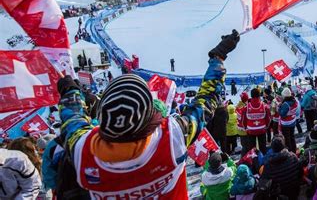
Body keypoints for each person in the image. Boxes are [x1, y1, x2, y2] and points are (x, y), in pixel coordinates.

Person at [56, 30, 240, 198]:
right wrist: (218, 57)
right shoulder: (173, 138)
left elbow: (73, 121)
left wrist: (70, 93)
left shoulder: (82, 151)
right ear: (147, 116)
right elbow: (207, 100)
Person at [260, 135, 303, 200]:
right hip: (294, 191)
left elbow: (263, 183)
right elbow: (300, 173)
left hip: (280, 194)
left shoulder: (268, 165)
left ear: (272, 148)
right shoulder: (293, 156)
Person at [243, 88, 270, 155]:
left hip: (251, 130)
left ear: (251, 96)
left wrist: (246, 128)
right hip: (262, 129)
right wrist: (266, 127)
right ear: (259, 96)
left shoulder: (246, 107)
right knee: (263, 148)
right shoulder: (264, 106)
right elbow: (268, 119)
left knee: (252, 150)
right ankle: (263, 161)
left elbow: (244, 120)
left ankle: (253, 162)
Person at [279, 87, 300, 153]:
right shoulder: (295, 101)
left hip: (285, 123)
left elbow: (282, 114)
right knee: (292, 137)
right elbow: (296, 111)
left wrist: (279, 107)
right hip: (293, 121)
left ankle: (290, 152)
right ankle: (294, 150)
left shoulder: (285, 104)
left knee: (287, 139)